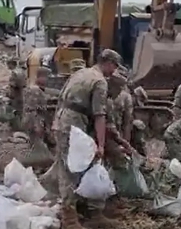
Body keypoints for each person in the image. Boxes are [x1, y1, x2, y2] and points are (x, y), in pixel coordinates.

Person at [54, 49, 123, 229]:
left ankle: (88, 212)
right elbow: (100, 115)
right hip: (75, 125)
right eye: (114, 67)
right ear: (108, 63)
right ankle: (70, 219)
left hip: (63, 121)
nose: (113, 72)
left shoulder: (80, 73)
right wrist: (100, 145)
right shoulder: (100, 82)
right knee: (72, 170)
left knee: (77, 166)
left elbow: (61, 98)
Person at [22, 67, 52, 152]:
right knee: (37, 147)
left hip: (38, 122)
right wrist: (37, 125)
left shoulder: (39, 90)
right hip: (34, 123)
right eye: (46, 77)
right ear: (40, 77)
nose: (47, 80)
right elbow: (32, 110)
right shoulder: (34, 90)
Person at [7, 57, 26, 131]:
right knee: (20, 111)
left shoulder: (14, 73)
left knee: (16, 111)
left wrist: (10, 85)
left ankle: (18, 128)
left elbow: (15, 84)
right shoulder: (21, 71)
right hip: (21, 93)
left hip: (16, 94)